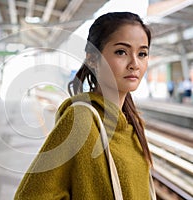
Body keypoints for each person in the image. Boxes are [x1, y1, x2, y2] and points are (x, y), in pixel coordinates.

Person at [14, 12, 154, 199]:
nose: (135, 64)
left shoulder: (133, 124)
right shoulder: (81, 120)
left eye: (142, 53)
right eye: (121, 52)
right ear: (92, 59)